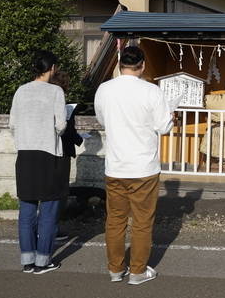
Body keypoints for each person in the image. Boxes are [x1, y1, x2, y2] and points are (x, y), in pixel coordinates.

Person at [94, 45, 174, 285]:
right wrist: (171, 117)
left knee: (115, 220)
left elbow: (101, 119)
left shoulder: (104, 89)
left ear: (120, 64)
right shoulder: (152, 91)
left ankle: (115, 269)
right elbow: (163, 127)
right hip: (144, 167)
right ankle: (138, 271)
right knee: (141, 221)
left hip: (116, 165)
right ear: (143, 65)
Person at [9, 50, 67, 274]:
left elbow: (12, 123)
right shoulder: (56, 91)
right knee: (49, 209)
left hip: (24, 154)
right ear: (51, 68)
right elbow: (60, 125)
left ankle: (27, 261)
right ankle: (43, 260)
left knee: (26, 210)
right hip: (47, 154)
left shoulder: (21, 91)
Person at [49, 70, 84, 241]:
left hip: (46, 149)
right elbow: (67, 130)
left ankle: (48, 227)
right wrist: (79, 139)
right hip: (62, 151)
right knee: (60, 191)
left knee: (49, 190)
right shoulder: (63, 103)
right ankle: (52, 228)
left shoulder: (44, 99)